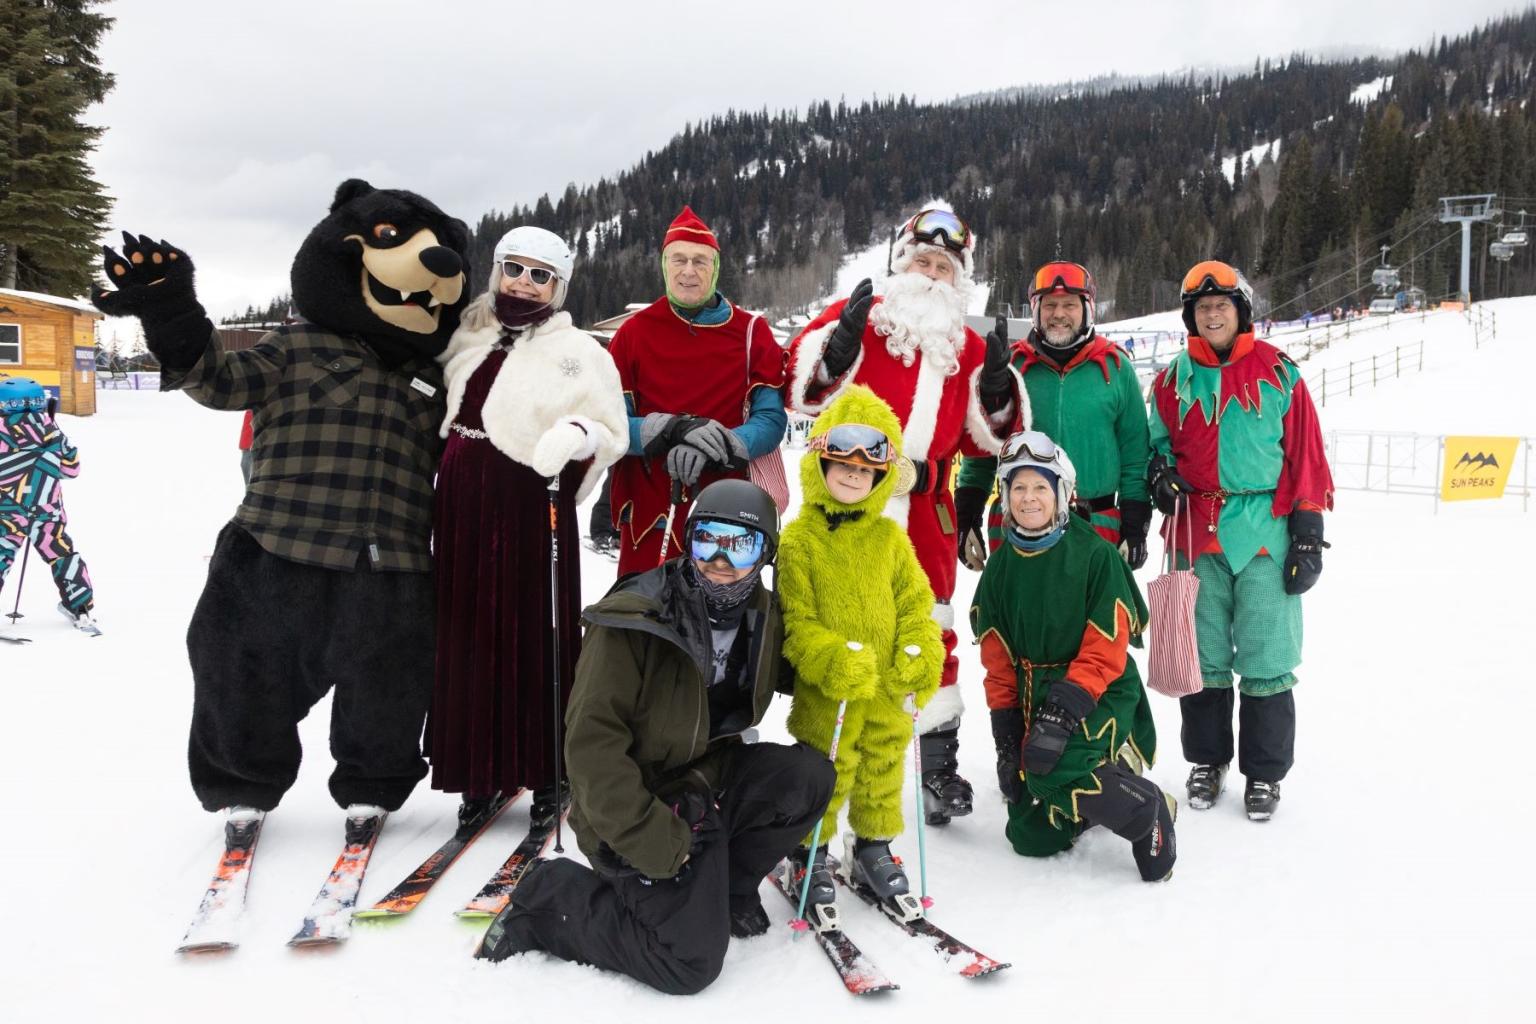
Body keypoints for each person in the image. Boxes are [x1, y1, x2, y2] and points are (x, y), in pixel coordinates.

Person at [476, 480, 834, 995]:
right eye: (708, 538)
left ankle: (725, 891)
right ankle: (548, 896)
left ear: (766, 554)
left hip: (704, 782)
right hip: (636, 802)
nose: (719, 560)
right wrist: (649, 837)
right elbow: (591, 747)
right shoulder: (637, 619)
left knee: (807, 777)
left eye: (742, 545)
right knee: (689, 962)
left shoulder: (765, 614)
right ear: (688, 539)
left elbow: (800, 670)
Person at [786, 203, 1026, 825]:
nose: (931, 273)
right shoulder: (863, 321)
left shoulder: (969, 346)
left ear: (960, 279)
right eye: (922, 260)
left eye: (944, 266)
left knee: (931, 628)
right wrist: (837, 354)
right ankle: (823, 759)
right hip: (850, 499)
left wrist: (998, 392)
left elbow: (993, 439)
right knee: (838, 622)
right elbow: (804, 388)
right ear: (900, 263)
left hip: (927, 509)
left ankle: (936, 762)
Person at [426, 226, 627, 822]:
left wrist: (578, 435)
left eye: (541, 274)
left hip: (530, 500)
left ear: (559, 286)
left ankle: (547, 771)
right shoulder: (469, 333)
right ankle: (478, 771)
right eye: (514, 268)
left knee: (536, 632)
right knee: (466, 631)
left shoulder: (583, 351)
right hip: (463, 497)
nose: (524, 282)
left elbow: (611, 431)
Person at [1147, 260, 1334, 821]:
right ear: (1191, 317)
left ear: (1240, 310)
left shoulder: (1279, 373)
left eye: (1221, 307)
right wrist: (1158, 473)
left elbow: (1306, 455)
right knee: (1201, 657)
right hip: (1193, 531)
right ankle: (1207, 761)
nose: (1212, 315)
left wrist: (1307, 530)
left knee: (1267, 655)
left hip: (1264, 531)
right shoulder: (1170, 379)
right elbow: (1153, 444)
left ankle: (1265, 773)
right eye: (1202, 309)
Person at [971, 430, 1173, 880]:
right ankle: (1101, 784)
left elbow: (1106, 649)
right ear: (1004, 496)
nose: (1028, 498)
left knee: (1049, 766)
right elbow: (998, 662)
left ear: (1062, 493)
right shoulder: (999, 569)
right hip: (1032, 695)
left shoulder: (1095, 556)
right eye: (1018, 487)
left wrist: (1059, 718)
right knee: (1028, 837)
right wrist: (1007, 740)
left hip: (1097, 688)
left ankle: (1146, 812)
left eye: (1041, 486)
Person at [776, 385, 942, 926]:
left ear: (881, 478)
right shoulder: (799, 541)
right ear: (818, 464)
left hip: (887, 690)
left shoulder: (891, 541)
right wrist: (830, 658)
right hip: (832, 694)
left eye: (865, 470)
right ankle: (810, 851)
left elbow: (917, 604)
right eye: (841, 465)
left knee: (882, 767)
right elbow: (796, 624)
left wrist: (919, 649)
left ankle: (872, 845)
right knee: (827, 770)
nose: (853, 475)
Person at [606, 206, 787, 576]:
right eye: (679, 259)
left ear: (716, 268)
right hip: (651, 511)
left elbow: (770, 418)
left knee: (719, 625)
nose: (689, 271)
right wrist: (664, 431)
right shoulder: (632, 334)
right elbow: (610, 423)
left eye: (700, 261)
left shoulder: (752, 331)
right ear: (664, 264)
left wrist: (725, 444)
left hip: (727, 512)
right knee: (644, 622)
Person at [955, 260, 1151, 575]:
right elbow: (984, 448)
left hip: (1095, 527)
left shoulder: (1116, 368)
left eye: (1070, 305)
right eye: (1050, 305)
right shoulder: (1011, 367)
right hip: (1020, 526)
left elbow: (1134, 455)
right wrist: (967, 516)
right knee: (1015, 622)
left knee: (1098, 623)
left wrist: (1135, 522)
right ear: (1035, 310)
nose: (1059, 314)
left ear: (1087, 309)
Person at [0, 377, 98, 632]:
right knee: (61, 553)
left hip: (7, 510)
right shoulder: (51, 431)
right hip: (47, 510)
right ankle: (80, 606)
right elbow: (72, 469)